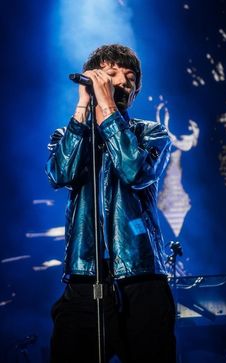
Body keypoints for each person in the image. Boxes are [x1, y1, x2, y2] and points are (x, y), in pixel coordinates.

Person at [46, 44, 176, 363]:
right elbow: (59, 174)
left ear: (137, 90)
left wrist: (106, 108)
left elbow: (134, 171)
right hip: (84, 278)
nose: (121, 82)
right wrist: (82, 109)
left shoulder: (152, 133)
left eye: (130, 78)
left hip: (141, 276)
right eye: (112, 74)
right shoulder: (67, 134)